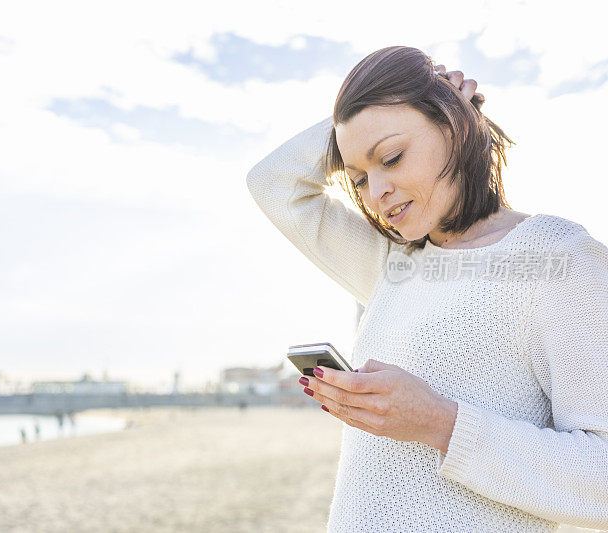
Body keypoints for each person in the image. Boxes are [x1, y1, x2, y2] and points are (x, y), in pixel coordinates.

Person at [246, 45, 608, 532]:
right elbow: (273, 182)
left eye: (391, 157)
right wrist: (362, 124)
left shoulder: (558, 259)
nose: (375, 194)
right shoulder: (394, 264)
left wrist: (440, 422)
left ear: (454, 125)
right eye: (358, 177)